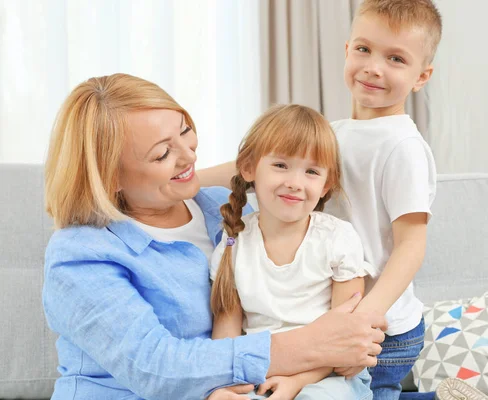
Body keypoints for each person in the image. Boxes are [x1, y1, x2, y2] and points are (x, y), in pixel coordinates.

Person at [41, 73, 387, 400]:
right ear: (108, 178)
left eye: (185, 130)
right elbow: (154, 366)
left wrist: (351, 344)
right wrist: (314, 344)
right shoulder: (81, 254)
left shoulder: (225, 211)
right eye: (162, 153)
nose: (190, 154)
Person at [208, 104, 375, 400]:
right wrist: (226, 388)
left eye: (311, 171)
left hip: (328, 373)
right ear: (249, 168)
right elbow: (226, 342)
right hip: (258, 373)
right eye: (281, 165)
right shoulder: (234, 244)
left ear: (327, 185)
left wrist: (298, 381)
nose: (294, 183)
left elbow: (347, 339)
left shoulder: (337, 239)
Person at [323, 1, 442, 399]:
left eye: (395, 58)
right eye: (364, 49)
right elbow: (259, 163)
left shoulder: (402, 146)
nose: (374, 67)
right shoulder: (334, 132)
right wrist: (186, 177)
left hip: (382, 327)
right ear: (346, 50)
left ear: (421, 76)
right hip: (340, 318)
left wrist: (367, 318)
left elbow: (411, 244)